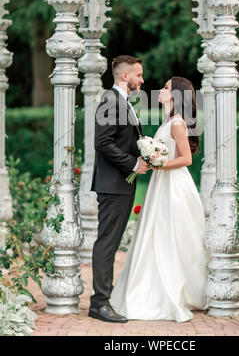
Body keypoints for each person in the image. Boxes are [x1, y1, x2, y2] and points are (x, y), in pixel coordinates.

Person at [110, 76, 209, 322]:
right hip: (162, 183)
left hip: (174, 186)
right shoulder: (169, 120)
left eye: (166, 88)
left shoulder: (177, 123)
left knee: (171, 234)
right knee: (159, 233)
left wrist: (158, 164)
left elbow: (186, 159)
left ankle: (178, 288)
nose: (161, 90)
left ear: (176, 94)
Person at [89, 55, 149, 323]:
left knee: (110, 243)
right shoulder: (110, 100)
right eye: (138, 74)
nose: (142, 80)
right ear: (125, 76)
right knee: (107, 243)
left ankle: (105, 297)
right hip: (113, 185)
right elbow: (102, 143)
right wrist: (133, 163)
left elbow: (122, 140)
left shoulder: (123, 101)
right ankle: (99, 304)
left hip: (120, 185)